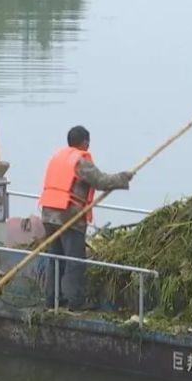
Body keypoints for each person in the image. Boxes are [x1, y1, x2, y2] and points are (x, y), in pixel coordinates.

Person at [38, 125, 133, 310]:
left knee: (55, 257)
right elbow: (101, 181)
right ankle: (76, 302)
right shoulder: (80, 161)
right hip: (68, 216)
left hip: (48, 214)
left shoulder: (58, 157)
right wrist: (124, 177)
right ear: (85, 143)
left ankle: (52, 299)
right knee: (75, 261)